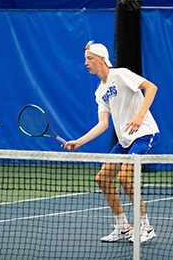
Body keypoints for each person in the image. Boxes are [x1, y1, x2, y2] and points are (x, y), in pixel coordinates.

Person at [63, 41, 160, 243]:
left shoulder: (120, 74)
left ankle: (146, 226)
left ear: (101, 59)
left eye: (89, 58)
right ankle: (123, 225)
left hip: (143, 133)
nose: (86, 63)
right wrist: (78, 142)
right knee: (102, 178)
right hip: (125, 140)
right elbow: (103, 124)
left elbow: (151, 88)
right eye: (85, 59)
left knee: (125, 178)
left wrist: (140, 116)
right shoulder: (100, 92)